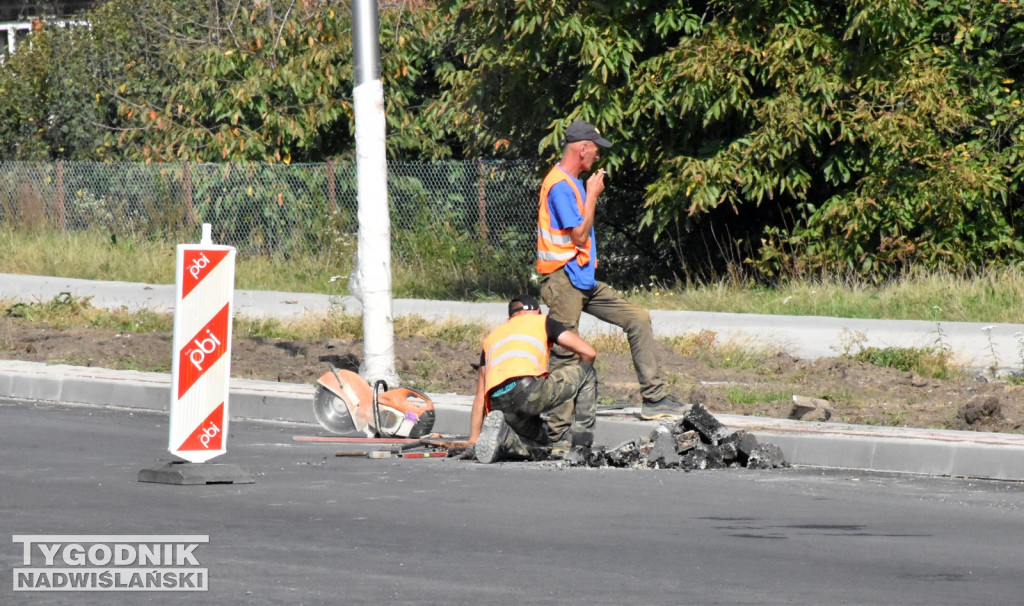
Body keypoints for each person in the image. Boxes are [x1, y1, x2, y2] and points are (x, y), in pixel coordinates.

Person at [536, 118, 687, 423]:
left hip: (581, 277)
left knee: (637, 319)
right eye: (595, 150)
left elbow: (579, 238)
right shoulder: (561, 186)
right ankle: (558, 430)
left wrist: (590, 258)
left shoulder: (574, 181)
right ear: (582, 148)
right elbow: (578, 234)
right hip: (562, 281)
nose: (598, 157)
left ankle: (654, 399)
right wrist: (593, 194)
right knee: (565, 352)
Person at [469, 294, 598, 464]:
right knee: (587, 372)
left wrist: (473, 440)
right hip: (527, 391)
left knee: (542, 446)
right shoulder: (543, 321)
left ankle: (506, 438)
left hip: (498, 404)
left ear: (510, 318)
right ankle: (581, 448)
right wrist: (576, 391)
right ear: (537, 311)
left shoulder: (492, 338)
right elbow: (588, 352)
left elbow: (480, 396)